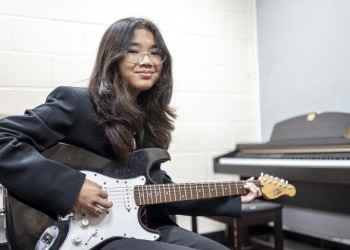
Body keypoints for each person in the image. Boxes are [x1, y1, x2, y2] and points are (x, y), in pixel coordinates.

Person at [0, 17, 261, 250]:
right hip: (84, 236)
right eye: (133, 51)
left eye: (155, 53)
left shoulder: (152, 120)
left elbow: (161, 191)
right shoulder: (76, 103)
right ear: (113, 58)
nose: (146, 61)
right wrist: (72, 188)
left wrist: (234, 194)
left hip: (147, 227)